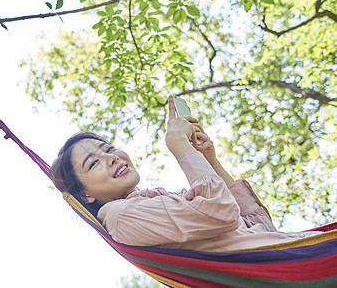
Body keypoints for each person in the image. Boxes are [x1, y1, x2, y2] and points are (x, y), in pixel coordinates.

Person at [50, 95, 320, 251]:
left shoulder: (154, 202)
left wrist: (209, 162)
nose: (111, 157)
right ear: (84, 194)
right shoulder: (121, 216)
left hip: (299, 251)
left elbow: (260, 228)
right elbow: (221, 213)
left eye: (108, 148)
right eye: (93, 163)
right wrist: (179, 147)